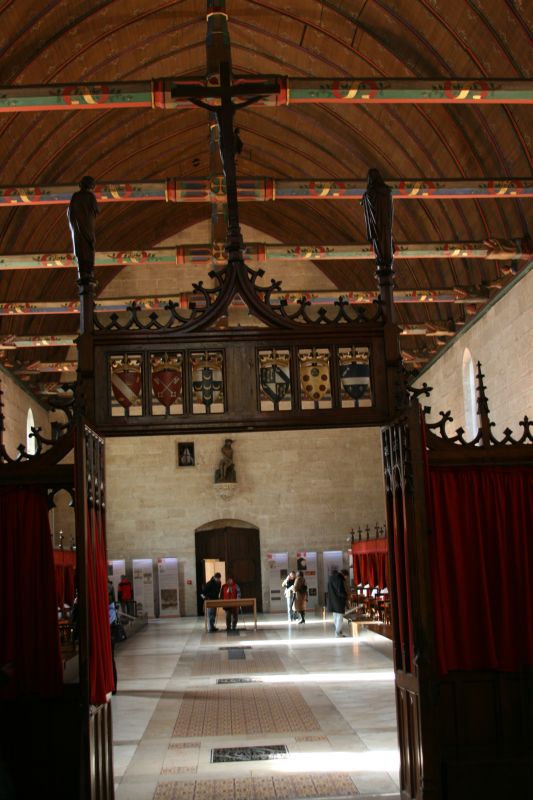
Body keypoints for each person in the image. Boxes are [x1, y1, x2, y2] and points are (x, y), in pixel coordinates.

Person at [67, 175, 99, 280]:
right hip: (88, 226)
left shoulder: (75, 196)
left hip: (77, 227)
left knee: (80, 248)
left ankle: (82, 271)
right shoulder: (90, 196)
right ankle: (89, 271)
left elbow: (70, 213)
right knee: (89, 247)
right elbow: (95, 210)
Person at [327, 567, 348, 637]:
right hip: (338, 602)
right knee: (340, 618)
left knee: (335, 617)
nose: (346, 579)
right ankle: (338, 632)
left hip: (332, 601)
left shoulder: (331, 578)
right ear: (344, 575)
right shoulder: (339, 579)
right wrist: (346, 595)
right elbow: (340, 591)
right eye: (346, 577)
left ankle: (338, 631)